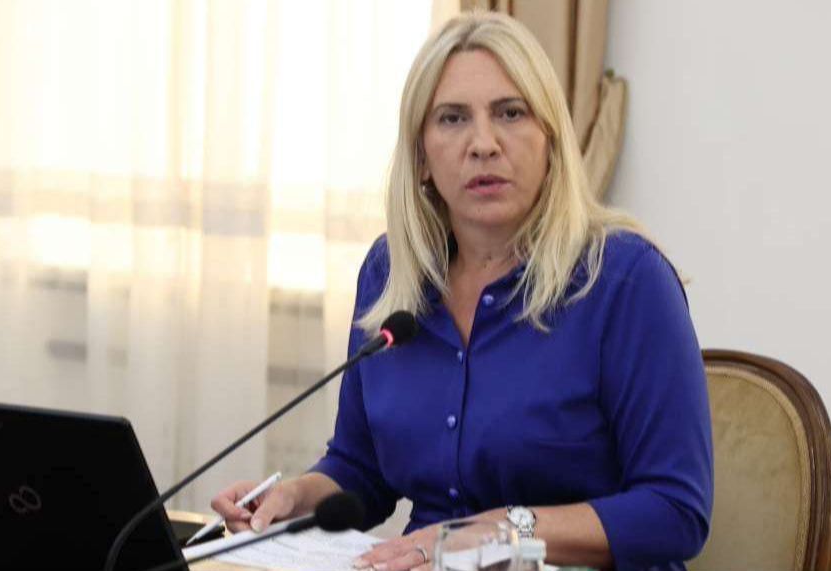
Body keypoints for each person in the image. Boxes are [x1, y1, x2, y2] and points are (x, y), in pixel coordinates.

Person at [211, 11, 712, 571]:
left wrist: (502, 532)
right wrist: (295, 499)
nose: (483, 144)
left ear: (550, 140)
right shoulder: (390, 272)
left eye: (511, 113)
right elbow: (361, 468)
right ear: (422, 156)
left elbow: (676, 511)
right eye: (452, 118)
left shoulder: (625, 281)